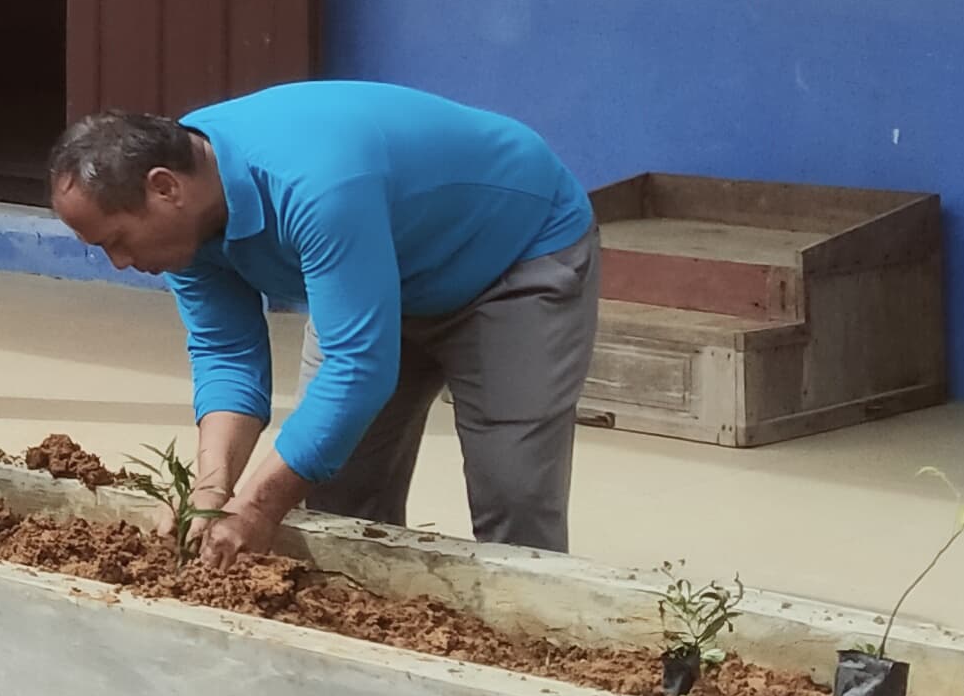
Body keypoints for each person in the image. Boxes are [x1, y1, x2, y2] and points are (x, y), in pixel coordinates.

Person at [45, 84, 601, 562]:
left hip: (511, 258)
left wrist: (257, 507)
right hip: (376, 275)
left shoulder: (313, 185)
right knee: (337, 486)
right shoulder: (182, 227)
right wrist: (211, 492)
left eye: (117, 241)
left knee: (514, 494)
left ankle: (535, 672)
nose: (121, 262)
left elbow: (358, 366)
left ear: (165, 188)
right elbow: (226, 355)